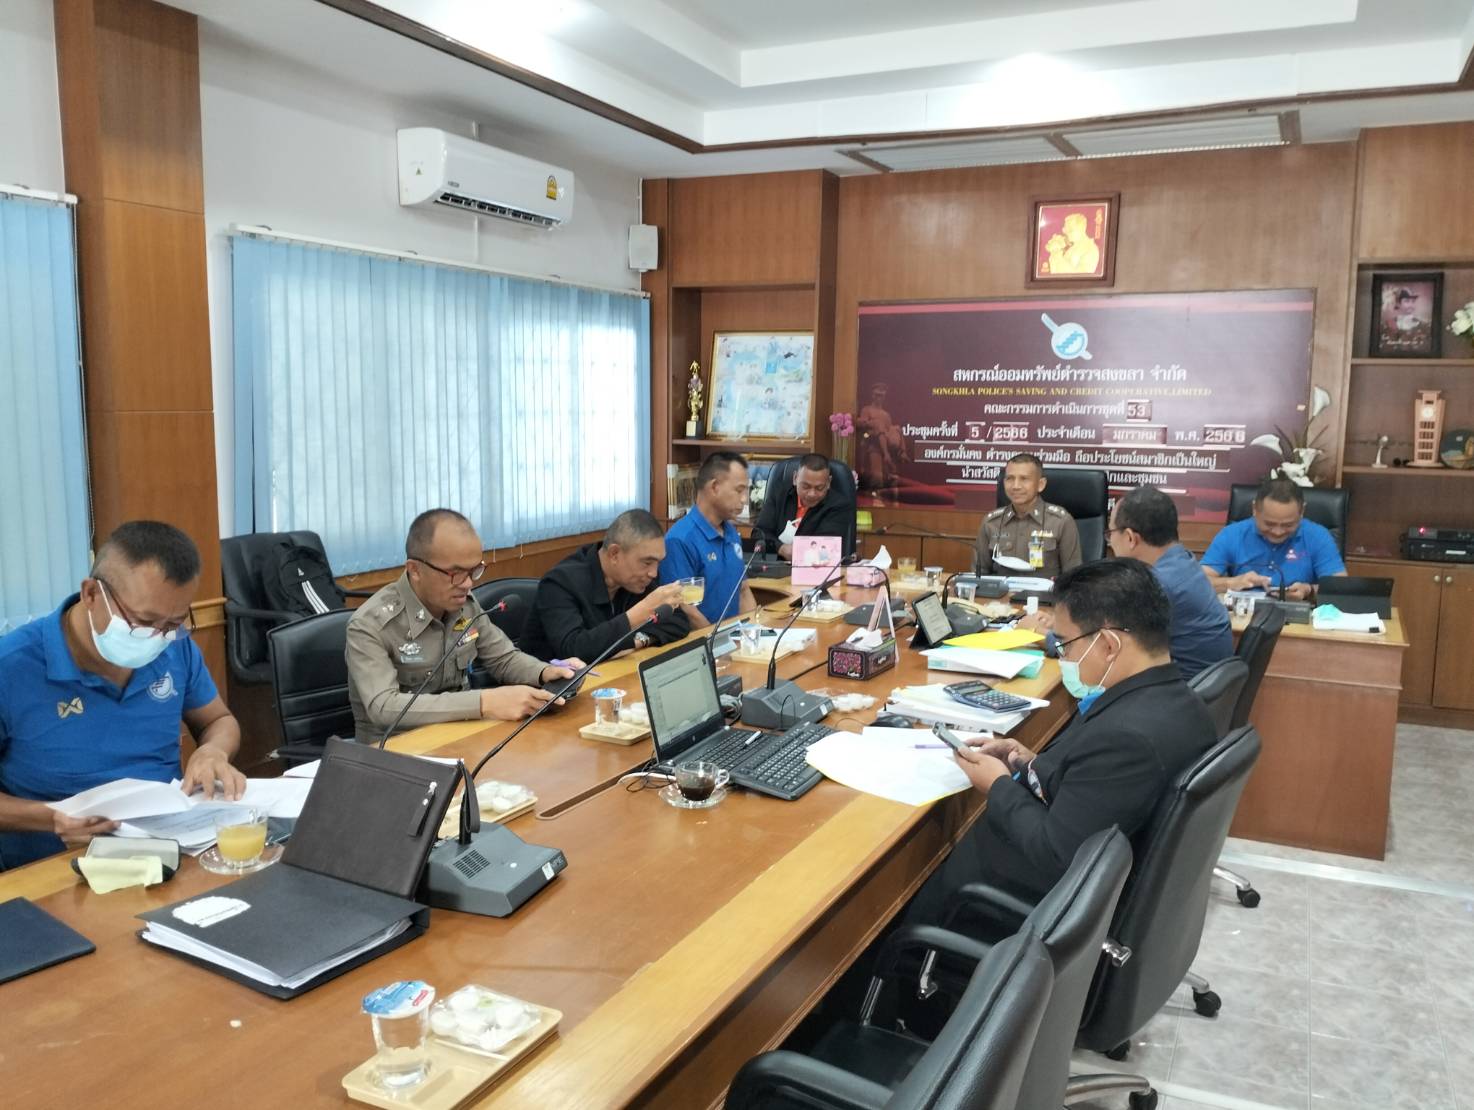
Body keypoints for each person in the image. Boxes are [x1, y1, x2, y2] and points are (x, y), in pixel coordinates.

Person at [948, 559, 1217, 902]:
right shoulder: (1182, 702)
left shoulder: (1125, 737)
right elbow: (1096, 790)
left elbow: (1055, 855)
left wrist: (997, 784)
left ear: (1108, 645)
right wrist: (1026, 762)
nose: (1064, 656)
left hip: (1048, 898)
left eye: (1066, 644)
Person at [0, 521, 245, 868]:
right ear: (91, 594)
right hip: (53, 866)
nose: (157, 638)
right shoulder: (11, 666)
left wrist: (213, 751)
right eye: (143, 622)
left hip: (167, 852)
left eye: (173, 624)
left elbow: (218, 720)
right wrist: (50, 819)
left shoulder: (175, 649)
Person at [346, 509, 579, 745]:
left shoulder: (464, 605)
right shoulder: (369, 624)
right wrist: (484, 702)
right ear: (415, 570)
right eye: (455, 573)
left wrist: (544, 672)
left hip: (461, 737)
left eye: (474, 571)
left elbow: (503, 659)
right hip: (396, 749)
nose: (467, 584)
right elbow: (384, 707)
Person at [520, 509, 697, 662]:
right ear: (614, 554)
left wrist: (640, 640)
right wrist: (640, 613)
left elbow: (679, 621)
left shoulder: (637, 579)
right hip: (550, 687)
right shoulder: (560, 583)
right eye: (647, 562)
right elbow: (573, 649)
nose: (654, 573)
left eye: (658, 562)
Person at [1108, 487, 1232, 680]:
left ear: (1130, 538)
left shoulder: (1157, 584)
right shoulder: (1184, 560)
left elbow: (1112, 645)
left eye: (1111, 533)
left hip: (1178, 689)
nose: (1110, 541)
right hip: (1201, 686)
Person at [1201, 477, 1346, 601]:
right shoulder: (1232, 534)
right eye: (1269, 524)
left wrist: (1309, 590)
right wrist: (1231, 583)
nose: (1278, 532)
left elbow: (1340, 589)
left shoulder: (1318, 536)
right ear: (1254, 509)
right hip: (1243, 617)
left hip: (1297, 617)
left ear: (1302, 511)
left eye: (1288, 525)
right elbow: (1197, 582)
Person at [658, 451, 757, 625]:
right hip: (703, 639)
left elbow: (743, 590)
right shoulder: (680, 540)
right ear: (715, 487)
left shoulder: (731, 532)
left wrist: (754, 631)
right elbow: (687, 611)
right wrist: (717, 640)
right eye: (739, 490)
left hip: (733, 636)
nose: (744, 499)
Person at [974, 453, 1082, 579]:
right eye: (1010, 478)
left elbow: (1073, 577)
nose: (1016, 486)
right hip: (1000, 591)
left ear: (1041, 484)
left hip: (1046, 591)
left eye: (1024, 479)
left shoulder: (1061, 521)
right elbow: (979, 573)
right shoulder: (991, 522)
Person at [753, 454, 855, 559]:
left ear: (828, 482)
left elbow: (826, 545)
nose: (812, 494)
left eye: (819, 488)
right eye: (806, 486)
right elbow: (759, 533)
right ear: (795, 478)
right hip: (776, 564)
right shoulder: (779, 496)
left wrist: (797, 551)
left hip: (816, 566)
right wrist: (781, 548)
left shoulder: (839, 505)